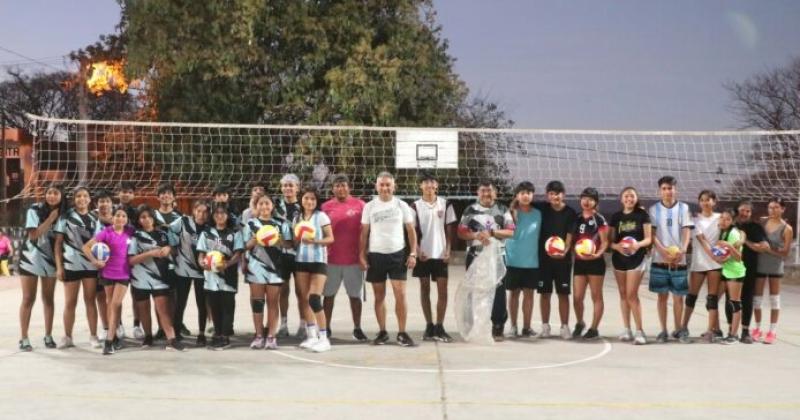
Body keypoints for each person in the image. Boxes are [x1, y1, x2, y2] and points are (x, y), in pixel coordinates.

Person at [360, 172, 418, 346]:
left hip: (397, 254)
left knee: (400, 294)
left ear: (394, 186)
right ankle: (383, 332)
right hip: (376, 255)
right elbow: (364, 233)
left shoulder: (402, 205)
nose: (385, 188)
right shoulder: (369, 207)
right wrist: (362, 255)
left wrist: (413, 253)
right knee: (379, 296)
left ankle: (402, 332)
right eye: (381, 185)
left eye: (388, 185)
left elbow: (411, 231)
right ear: (376, 186)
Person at [457, 180, 514, 341]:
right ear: (478, 192)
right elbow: (461, 232)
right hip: (475, 255)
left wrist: (492, 233)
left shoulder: (502, 209)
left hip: (496, 255)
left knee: (498, 290)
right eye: (483, 191)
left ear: (495, 193)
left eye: (490, 191)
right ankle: (475, 324)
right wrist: (476, 235)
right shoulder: (470, 209)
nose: (486, 194)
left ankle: (497, 325)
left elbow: (511, 232)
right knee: (474, 290)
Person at [128, 206, 186, 351]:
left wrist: (169, 249)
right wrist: (150, 253)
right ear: (139, 220)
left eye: (148, 216)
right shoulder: (135, 236)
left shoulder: (163, 233)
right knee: (144, 310)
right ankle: (148, 337)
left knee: (163, 310)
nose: (146, 219)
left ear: (153, 218)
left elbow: (174, 249)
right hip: (140, 278)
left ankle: (171, 339)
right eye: (142, 217)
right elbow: (131, 260)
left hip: (160, 278)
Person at [320, 174, 368, 341]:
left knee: (355, 296)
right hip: (331, 260)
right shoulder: (325, 207)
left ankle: (357, 328)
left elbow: (366, 232)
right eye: (337, 185)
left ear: (349, 187)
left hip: (354, 260)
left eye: (344, 185)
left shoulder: (361, 205)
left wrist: (364, 255)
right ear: (333, 188)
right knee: (328, 296)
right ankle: (325, 327)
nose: (341, 188)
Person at [411, 173, 457, 342]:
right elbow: (412, 232)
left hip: (440, 254)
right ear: (421, 186)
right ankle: (429, 325)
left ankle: (440, 326)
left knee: (442, 291)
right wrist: (416, 249)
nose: (429, 185)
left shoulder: (445, 204)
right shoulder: (414, 206)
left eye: (432, 182)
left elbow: (450, 230)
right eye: (426, 182)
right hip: (424, 254)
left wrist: (449, 250)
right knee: (424, 289)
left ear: (436, 185)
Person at [54, 187, 101, 349]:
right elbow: (58, 244)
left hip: (90, 266)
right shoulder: (65, 217)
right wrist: (59, 267)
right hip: (71, 265)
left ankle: (94, 336)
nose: (82, 199)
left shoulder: (95, 218)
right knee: (70, 302)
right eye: (78, 196)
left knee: (90, 301)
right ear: (74, 199)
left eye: (85, 196)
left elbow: (100, 243)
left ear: (89, 199)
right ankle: (67, 337)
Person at [18, 185, 65, 351]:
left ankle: (48, 335)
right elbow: (34, 235)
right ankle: (24, 338)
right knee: (28, 298)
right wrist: (51, 219)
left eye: (56, 193)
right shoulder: (34, 209)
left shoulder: (64, 213)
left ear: (61, 195)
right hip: (30, 259)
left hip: (51, 261)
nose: (52, 196)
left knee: (48, 299)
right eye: (49, 193)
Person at [83, 208, 135, 355]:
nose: (120, 218)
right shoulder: (106, 232)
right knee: (111, 304)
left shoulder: (130, 232)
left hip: (124, 274)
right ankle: (114, 337)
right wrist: (95, 261)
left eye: (123, 215)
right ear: (113, 218)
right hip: (107, 273)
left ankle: (109, 340)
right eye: (118, 215)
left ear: (126, 219)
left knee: (115, 304)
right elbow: (86, 247)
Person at [648, 176, 694, 343]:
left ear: (676, 189)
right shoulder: (654, 209)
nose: (668, 191)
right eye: (664, 188)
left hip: (678, 260)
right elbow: (652, 234)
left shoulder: (684, 208)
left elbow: (687, 231)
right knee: (662, 297)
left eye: (670, 188)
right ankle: (663, 330)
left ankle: (678, 329)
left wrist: (682, 250)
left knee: (678, 297)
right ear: (660, 191)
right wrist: (662, 251)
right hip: (660, 259)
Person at [242, 195, 290, 350]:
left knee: (272, 303)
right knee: (257, 303)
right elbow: (244, 246)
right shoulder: (250, 224)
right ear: (256, 206)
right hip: (255, 268)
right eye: (261, 203)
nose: (264, 206)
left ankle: (271, 336)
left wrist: (279, 241)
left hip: (275, 269)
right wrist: (255, 240)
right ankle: (258, 335)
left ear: (272, 206)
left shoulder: (280, 223)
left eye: (267, 203)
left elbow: (289, 244)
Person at [197, 204, 244, 350]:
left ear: (227, 216)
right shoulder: (206, 233)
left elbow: (238, 254)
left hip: (228, 275)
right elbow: (201, 254)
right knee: (215, 306)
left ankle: (225, 336)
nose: (219, 216)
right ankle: (217, 334)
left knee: (228, 306)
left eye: (223, 213)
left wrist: (227, 264)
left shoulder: (234, 233)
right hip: (210, 276)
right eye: (216, 213)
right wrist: (202, 263)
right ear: (213, 216)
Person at [294, 187, 335, 352]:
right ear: (301, 200)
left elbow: (331, 238)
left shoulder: (321, 216)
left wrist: (315, 241)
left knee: (314, 299)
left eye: (312, 199)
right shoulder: (297, 218)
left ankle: (324, 338)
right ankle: (311, 336)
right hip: (301, 261)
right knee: (304, 299)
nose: (309, 201)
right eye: (306, 198)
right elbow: (296, 241)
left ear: (316, 202)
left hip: (318, 261)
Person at [609, 187, 651, 345]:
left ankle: (640, 331)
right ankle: (627, 329)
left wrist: (636, 245)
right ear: (621, 199)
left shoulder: (642, 215)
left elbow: (648, 239)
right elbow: (610, 242)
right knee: (622, 294)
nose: (629, 199)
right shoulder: (616, 217)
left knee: (631, 295)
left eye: (632, 196)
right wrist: (617, 247)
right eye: (626, 196)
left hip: (636, 258)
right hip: (619, 259)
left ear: (636, 198)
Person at [536, 181, 577, 340]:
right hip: (544, 260)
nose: (555, 196)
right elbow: (520, 203)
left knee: (563, 294)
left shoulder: (570, 213)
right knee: (544, 293)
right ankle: (545, 327)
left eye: (558, 193)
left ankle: (564, 327)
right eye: (552, 193)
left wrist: (564, 252)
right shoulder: (542, 208)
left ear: (563, 194)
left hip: (562, 261)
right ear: (548, 195)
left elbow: (569, 237)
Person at [682, 190, 723, 343]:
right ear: (699, 202)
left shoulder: (720, 218)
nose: (705, 203)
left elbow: (731, 234)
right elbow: (701, 240)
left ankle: (711, 331)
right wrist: (712, 254)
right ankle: (683, 327)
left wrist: (721, 253)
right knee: (691, 296)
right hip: (699, 262)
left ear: (714, 201)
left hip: (715, 264)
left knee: (712, 299)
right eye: (702, 200)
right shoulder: (694, 220)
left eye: (708, 200)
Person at [503, 181, 541, 338]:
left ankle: (527, 327)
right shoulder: (509, 213)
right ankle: (513, 326)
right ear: (517, 196)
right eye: (522, 193)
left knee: (529, 295)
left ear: (532, 195)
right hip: (513, 260)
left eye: (528, 193)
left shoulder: (538, 214)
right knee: (514, 294)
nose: (525, 196)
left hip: (531, 261)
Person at [703, 208, 747, 344]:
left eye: (727, 219)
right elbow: (724, 254)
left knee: (734, 303)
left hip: (735, 272)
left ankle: (733, 335)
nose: (723, 220)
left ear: (732, 221)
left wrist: (729, 245)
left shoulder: (733, 234)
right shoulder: (723, 232)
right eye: (722, 217)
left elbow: (739, 257)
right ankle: (717, 330)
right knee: (712, 300)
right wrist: (719, 257)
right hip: (725, 270)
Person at [571, 187, 609, 340]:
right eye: (584, 198)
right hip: (580, 262)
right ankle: (580, 323)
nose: (586, 201)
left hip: (595, 263)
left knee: (596, 296)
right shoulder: (577, 218)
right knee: (577, 297)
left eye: (590, 199)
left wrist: (597, 255)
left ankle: (594, 328)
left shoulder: (599, 219)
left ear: (595, 202)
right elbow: (572, 239)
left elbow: (605, 242)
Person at [170, 200, 210, 346]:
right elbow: (169, 230)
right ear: (194, 211)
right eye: (199, 211)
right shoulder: (183, 221)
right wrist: (173, 247)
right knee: (180, 302)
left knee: (202, 304)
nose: (201, 214)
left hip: (202, 271)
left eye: (205, 212)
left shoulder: (209, 227)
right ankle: (176, 330)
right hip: (183, 269)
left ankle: (201, 333)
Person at [753, 198, 793, 344]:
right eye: (770, 207)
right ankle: (757, 329)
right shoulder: (762, 222)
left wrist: (770, 250)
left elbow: (785, 253)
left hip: (775, 265)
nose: (773, 210)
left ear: (783, 209)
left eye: (776, 207)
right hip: (760, 264)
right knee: (756, 300)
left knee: (774, 300)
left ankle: (772, 331)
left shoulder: (787, 229)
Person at [734, 200, 767, 344]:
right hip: (731, 268)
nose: (745, 213)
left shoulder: (755, 227)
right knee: (732, 300)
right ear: (737, 210)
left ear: (751, 213)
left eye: (748, 211)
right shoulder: (731, 225)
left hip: (749, 268)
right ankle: (731, 331)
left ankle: (745, 331)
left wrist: (745, 241)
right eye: (742, 210)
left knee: (747, 300)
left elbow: (763, 247)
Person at [274, 174, 303, 338]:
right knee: (283, 291)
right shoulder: (275, 206)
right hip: (282, 254)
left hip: (299, 255)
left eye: (291, 185)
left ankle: (303, 324)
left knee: (301, 292)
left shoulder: (304, 205)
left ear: (297, 188)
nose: (287, 188)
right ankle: (283, 324)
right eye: (285, 185)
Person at [116, 181, 141, 340]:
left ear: (133, 195)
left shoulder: (138, 212)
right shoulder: (111, 210)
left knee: (136, 293)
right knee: (116, 296)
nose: (126, 194)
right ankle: (117, 325)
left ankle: (137, 325)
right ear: (118, 193)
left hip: (134, 257)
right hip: (116, 260)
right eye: (123, 191)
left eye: (129, 192)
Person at [92, 189, 113, 341]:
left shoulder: (119, 219)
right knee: (100, 297)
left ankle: (117, 325)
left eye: (107, 201)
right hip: (97, 265)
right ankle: (106, 327)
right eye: (101, 201)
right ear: (96, 204)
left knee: (114, 298)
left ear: (111, 203)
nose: (104, 204)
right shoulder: (92, 220)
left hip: (116, 266)